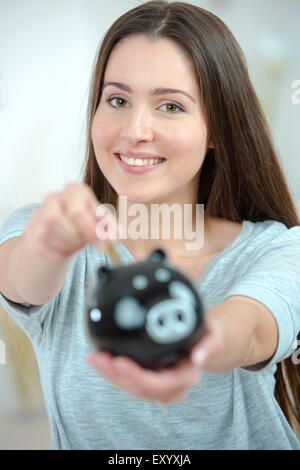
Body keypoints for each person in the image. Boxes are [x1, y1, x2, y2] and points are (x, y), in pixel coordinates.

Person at [0, 0, 299, 450]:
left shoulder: (277, 250)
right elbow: (22, 276)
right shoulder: (41, 233)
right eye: (117, 100)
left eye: (171, 106)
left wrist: (192, 340)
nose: (135, 129)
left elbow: (252, 327)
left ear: (217, 126)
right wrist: (49, 245)